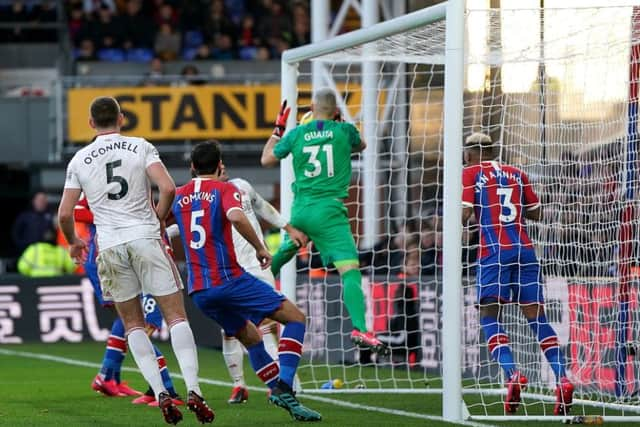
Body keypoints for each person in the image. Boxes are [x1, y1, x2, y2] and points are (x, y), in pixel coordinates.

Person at [57, 96, 214, 425]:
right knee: (175, 317)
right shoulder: (140, 146)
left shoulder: (79, 159)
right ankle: (195, 389)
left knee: (133, 325)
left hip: (110, 246)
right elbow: (168, 188)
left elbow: (64, 213)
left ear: (90, 123)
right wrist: (157, 219)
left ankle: (160, 393)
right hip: (145, 238)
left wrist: (73, 241)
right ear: (121, 118)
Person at [172, 140, 321, 422]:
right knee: (295, 318)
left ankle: (277, 394)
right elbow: (237, 217)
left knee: (251, 337)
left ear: (192, 167)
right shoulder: (226, 188)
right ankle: (285, 384)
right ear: (219, 166)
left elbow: (160, 222)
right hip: (229, 279)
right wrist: (260, 247)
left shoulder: (179, 195)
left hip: (200, 291)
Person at [260, 88, 388, 355]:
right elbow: (361, 145)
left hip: (301, 210)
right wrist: (340, 123)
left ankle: (248, 287)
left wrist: (278, 129)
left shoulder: (296, 134)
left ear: (312, 108)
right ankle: (360, 329)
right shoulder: (344, 131)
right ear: (336, 111)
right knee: (349, 270)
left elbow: (266, 159)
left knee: (287, 250)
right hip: (330, 212)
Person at [461, 132, 574, 415]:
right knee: (537, 318)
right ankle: (562, 379)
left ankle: (512, 374)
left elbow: (462, 215)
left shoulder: (471, 173)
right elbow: (536, 213)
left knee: (489, 315)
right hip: (525, 250)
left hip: (494, 252)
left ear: (470, 153)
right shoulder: (517, 173)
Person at [74, 195, 183, 406]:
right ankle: (165, 388)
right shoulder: (101, 175)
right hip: (108, 258)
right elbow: (76, 210)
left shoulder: (134, 193)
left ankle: (109, 376)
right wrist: (111, 218)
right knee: (135, 323)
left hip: (117, 257)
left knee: (129, 320)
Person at [216, 163, 306, 404]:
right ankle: (238, 385)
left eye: (225, 163)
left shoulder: (242, 186)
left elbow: (263, 208)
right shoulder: (206, 198)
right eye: (219, 164)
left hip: (257, 264)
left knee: (270, 320)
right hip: (230, 269)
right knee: (231, 329)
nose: (224, 167)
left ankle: (280, 382)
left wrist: (287, 227)